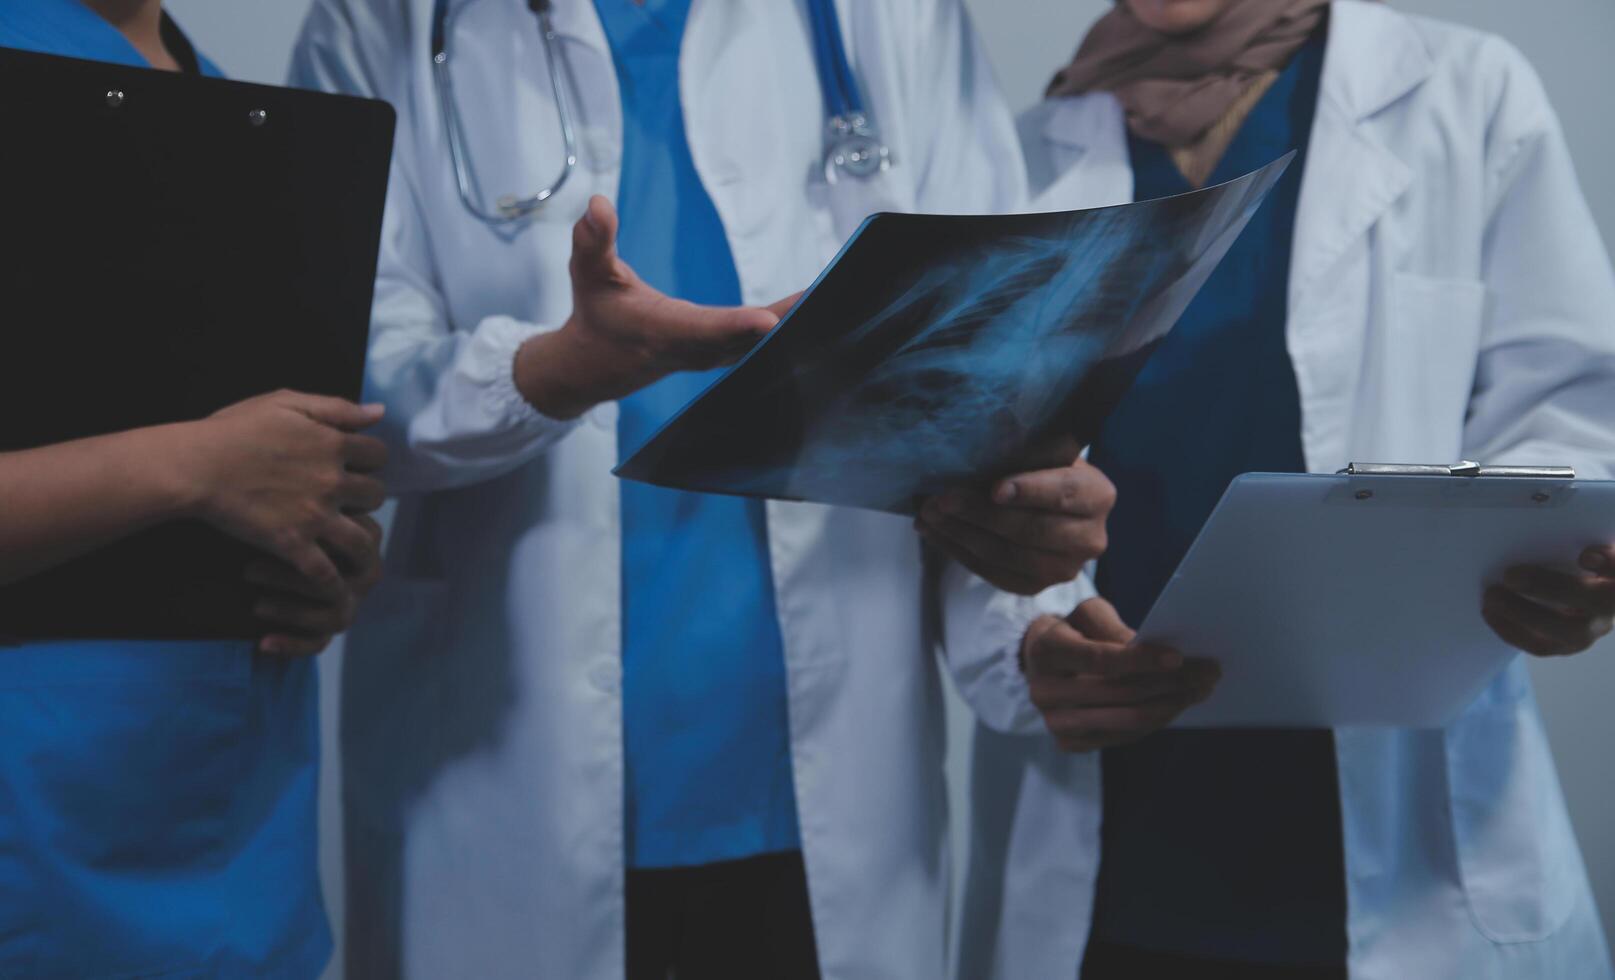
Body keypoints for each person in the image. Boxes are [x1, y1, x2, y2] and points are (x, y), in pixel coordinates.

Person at [288, 0, 1213, 976]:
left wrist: (1032, 628)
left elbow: (985, 399)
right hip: (496, 799)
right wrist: (548, 372)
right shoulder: (377, 25)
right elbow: (334, 387)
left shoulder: (894, 19)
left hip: (826, 812)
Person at [960, 1, 1615, 978]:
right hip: (1118, 854)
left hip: (1407, 856)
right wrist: (1022, 642)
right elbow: (961, 484)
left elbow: (1576, 417)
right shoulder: (1021, 157)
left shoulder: (1463, 94)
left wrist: (1563, 564)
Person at [0, 2, 389, 975]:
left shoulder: (219, 96)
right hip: (38, 834)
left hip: (238, 835)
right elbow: (208, 459)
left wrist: (316, 549)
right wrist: (196, 469)